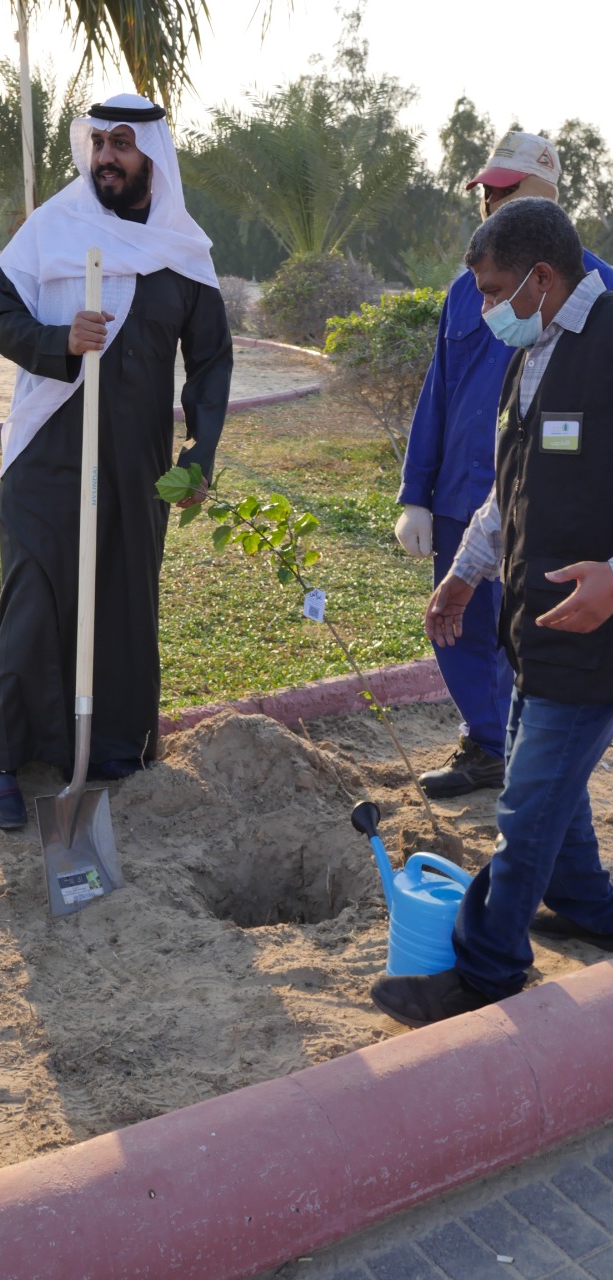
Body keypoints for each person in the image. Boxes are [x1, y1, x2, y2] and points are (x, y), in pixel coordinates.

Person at [371, 198, 613, 1028]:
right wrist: (465, 574)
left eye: (494, 291)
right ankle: (586, 904)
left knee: (526, 807)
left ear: (542, 279)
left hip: (595, 637)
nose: (483, 311)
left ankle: (484, 972)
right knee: (545, 787)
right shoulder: (531, 354)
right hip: (534, 628)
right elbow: (508, 491)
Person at [0, 93, 233, 830]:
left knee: (123, 600)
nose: (107, 157)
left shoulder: (183, 253)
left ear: (151, 155)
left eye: (122, 144)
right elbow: (2, 318)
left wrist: (200, 451)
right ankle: (7, 763)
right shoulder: (52, 229)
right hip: (47, 451)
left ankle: (116, 748)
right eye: (99, 143)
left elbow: (211, 361)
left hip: (136, 461)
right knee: (35, 600)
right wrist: (60, 340)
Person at [395, 132, 613, 798]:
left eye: (506, 190)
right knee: (462, 630)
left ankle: (539, 761)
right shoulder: (469, 290)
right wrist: (416, 493)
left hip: (557, 512)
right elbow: (440, 391)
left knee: (540, 633)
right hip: (468, 493)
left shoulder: (597, 295)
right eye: (486, 192)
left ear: (544, 195)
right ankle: (491, 745)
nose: (491, 202)